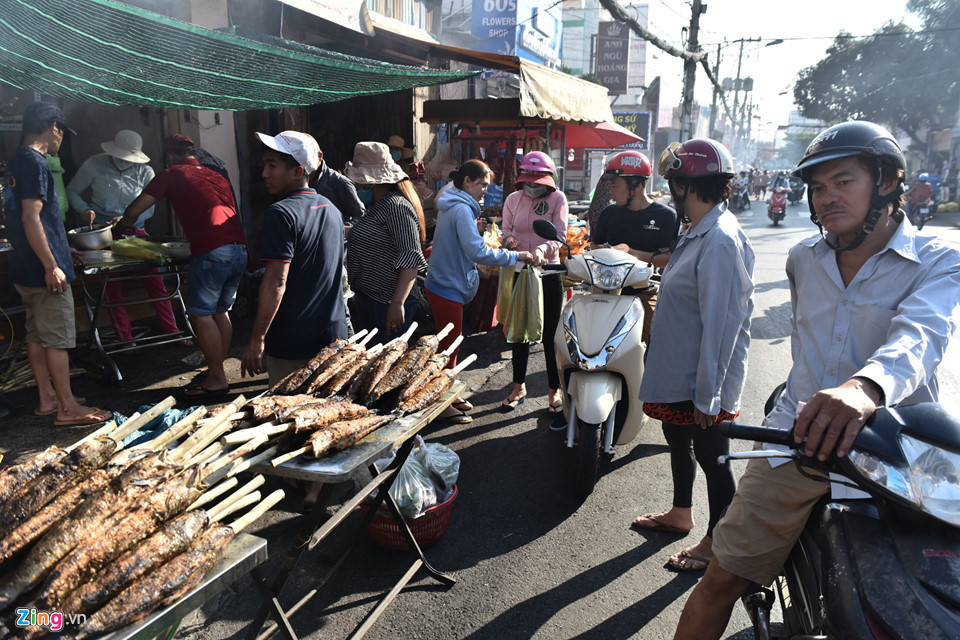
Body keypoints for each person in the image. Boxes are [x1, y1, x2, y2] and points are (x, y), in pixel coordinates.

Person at [672, 122, 960, 640]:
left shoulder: (939, 261)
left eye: (843, 182)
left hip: (895, 458)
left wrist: (863, 388)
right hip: (797, 442)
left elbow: (921, 336)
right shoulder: (803, 257)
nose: (826, 198)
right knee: (718, 582)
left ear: (888, 182)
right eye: (818, 187)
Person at [633, 138, 754, 574]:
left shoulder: (719, 240)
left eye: (673, 186)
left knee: (712, 457)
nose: (670, 194)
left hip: (702, 380)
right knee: (676, 440)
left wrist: (709, 395)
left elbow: (723, 327)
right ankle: (681, 514)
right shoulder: (699, 229)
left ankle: (717, 544)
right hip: (680, 369)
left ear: (686, 185)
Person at [6, 102, 110, 425]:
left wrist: (63, 249)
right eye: (62, 132)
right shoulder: (36, 162)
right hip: (43, 270)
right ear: (54, 127)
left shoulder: (16, 161)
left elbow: (35, 220)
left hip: (24, 266)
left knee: (36, 334)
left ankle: (48, 398)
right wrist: (52, 264)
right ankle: (68, 408)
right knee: (57, 338)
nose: (61, 139)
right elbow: (31, 216)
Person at [120, 134, 247, 398]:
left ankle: (216, 377)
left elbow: (134, 211)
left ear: (169, 155)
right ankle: (217, 371)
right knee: (221, 311)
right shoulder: (216, 175)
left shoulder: (171, 173)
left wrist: (120, 227)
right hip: (239, 248)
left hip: (212, 251)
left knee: (201, 314)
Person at [424, 159, 534, 423]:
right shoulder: (461, 209)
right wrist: (514, 256)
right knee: (448, 349)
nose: (486, 189)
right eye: (482, 184)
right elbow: (476, 251)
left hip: (444, 283)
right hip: (446, 286)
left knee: (450, 344)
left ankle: (449, 391)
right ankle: (440, 404)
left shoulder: (454, 204)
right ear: (467, 182)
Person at [240, 130, 348, 385]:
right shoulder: (331, 209)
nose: (264, 173)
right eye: (265, 164)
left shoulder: (280, 213)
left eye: (272, 165)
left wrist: (257, 339)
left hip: (294, 342)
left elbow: (276, 281)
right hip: (333, 337)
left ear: (298, 172)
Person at [67, 129, 181, 345]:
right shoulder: (94, 164)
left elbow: (150, 208)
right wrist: (83, 209)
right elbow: (72, 190)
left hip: (135, 232)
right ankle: (125, 339)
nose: (123, 162)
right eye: (120, 157)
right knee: (112, 286)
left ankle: (172, 330)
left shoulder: (145, 171)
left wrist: (128, 218)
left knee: (154, 280)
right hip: (103, 235)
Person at [500, 151, 568, 412]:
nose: (533, 186)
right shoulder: (513, 199)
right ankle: (518, 386)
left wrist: (542, 251)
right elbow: (506, 232)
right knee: (519, 334)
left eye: (539, 182)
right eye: (530, 181)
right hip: (520, 271)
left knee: (550, 335)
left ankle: (554, 390)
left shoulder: (557, 199)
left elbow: (559, 236)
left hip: (547, 274)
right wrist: (510, 243)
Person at [590, 150, 678, 344]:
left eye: (615, 185)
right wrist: (599, 250)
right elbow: (594, 244)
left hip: (643, 293)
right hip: (604, 292)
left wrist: (631, 253)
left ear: (636, 186)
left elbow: (669, 257)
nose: (611, 191)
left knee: (651, 344)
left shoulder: (666, 216)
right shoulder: (609, 213)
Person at [342, 142, 427, 340]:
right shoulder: (375, 206)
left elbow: (411, 258)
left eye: (359, 181)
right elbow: (372, 236)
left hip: (388, 302)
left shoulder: (396, 206)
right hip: (370, 299)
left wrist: (397, 304)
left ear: (370, 182)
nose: (356, 186)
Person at [307, 138, 365, 224]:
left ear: (320, 156)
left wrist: (339, 229)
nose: (304, 166)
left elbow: (361, 216)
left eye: (307, 160)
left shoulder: (340, 182)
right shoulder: (294, 182)